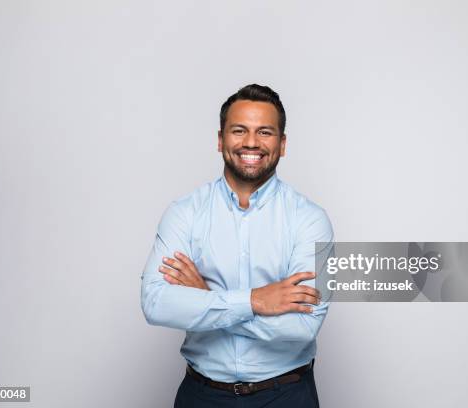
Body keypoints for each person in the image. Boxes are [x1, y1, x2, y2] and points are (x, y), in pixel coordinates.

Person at [140, 84, 334, 407]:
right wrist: (255, 300)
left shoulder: (313, 221)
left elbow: (304, 326)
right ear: (220, 140)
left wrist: (206, 301)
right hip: (202, 395)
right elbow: (155, 302)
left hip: (287, 396)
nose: (251, 143)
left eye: (265, 132)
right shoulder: (184, 213)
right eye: (239, 130)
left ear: (282, 144)